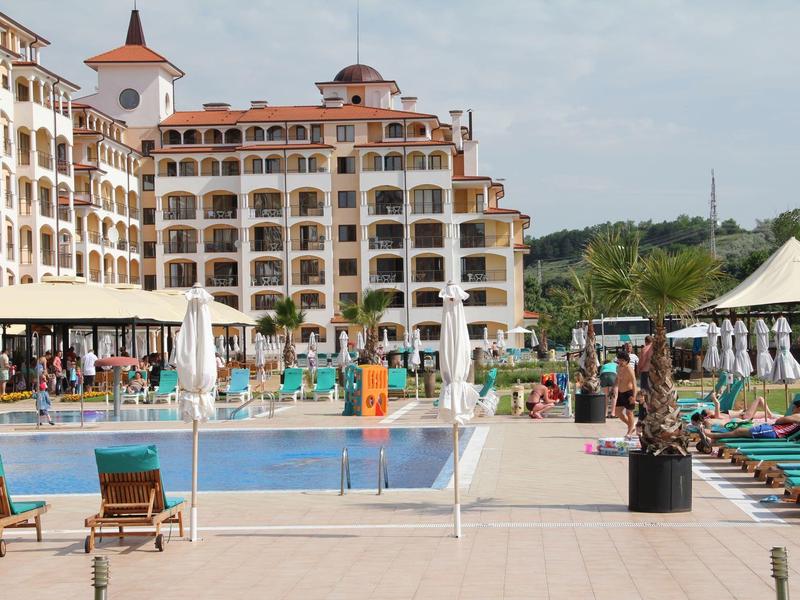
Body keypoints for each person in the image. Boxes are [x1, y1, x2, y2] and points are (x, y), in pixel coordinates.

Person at [704, 398, 800, 442]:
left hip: (774, 431)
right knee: (739, 429)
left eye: (794, 407)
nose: (792, 409)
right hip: (772, 429)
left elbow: (780, 421)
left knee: (739, 431)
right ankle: (713, 437)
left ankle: (713, 436)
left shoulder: (797, 416)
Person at [690, 393, 775, 429]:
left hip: (745, 414)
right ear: (707, 415)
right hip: (745, 417)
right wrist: (713, 398)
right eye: (708, 410)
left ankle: (771, 415)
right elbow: (717, 404)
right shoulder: (717, 416)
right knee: (760, 399)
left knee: (768, 414)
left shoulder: (719, 414)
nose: (710, 409)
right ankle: (770, 415)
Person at [614, 350, 638, 438]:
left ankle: (629, 431)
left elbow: (634, 383)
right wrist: (614, 388)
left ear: (626, 360)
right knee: (617, 412)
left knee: (629, 412)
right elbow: (617, 378)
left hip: (629, 393)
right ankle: (631, 426)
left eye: (622, 360)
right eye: (619, 360)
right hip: (621, 393)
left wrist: (634, 396)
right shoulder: (618, 367)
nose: (620, 362)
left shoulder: (629, 369)